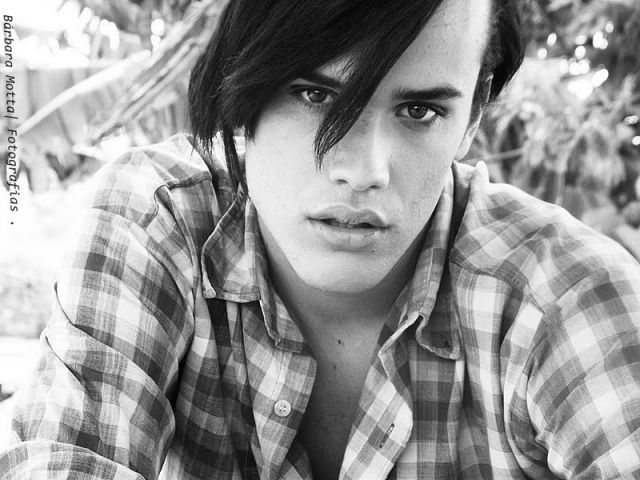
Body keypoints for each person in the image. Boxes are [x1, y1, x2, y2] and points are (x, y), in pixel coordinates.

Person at [2, 0, 640, 478]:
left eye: (420, 111)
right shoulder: (161, 222)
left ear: (472, 118)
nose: (364, 170)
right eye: (313, 94)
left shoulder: (563, 296)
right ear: (241, 88)